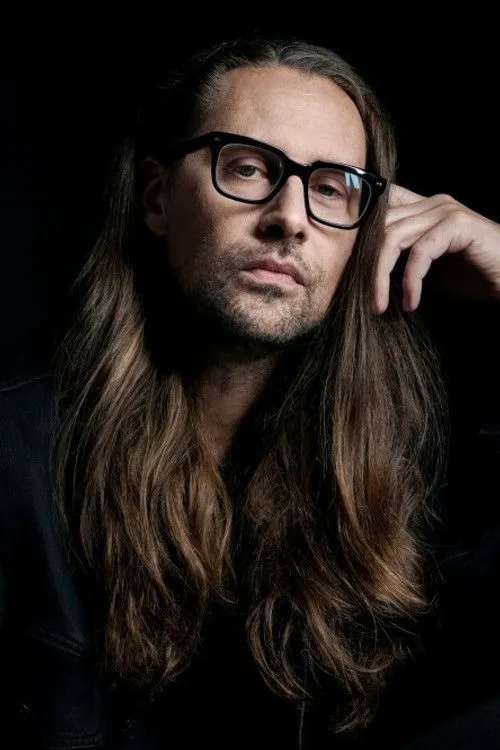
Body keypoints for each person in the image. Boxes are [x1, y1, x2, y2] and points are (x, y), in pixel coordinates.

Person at [1, 32, 499, 750]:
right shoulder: (16, 452)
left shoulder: (398, 464)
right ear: (156, 198)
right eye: (247, 167)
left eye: (330, 187)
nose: (290, 217)